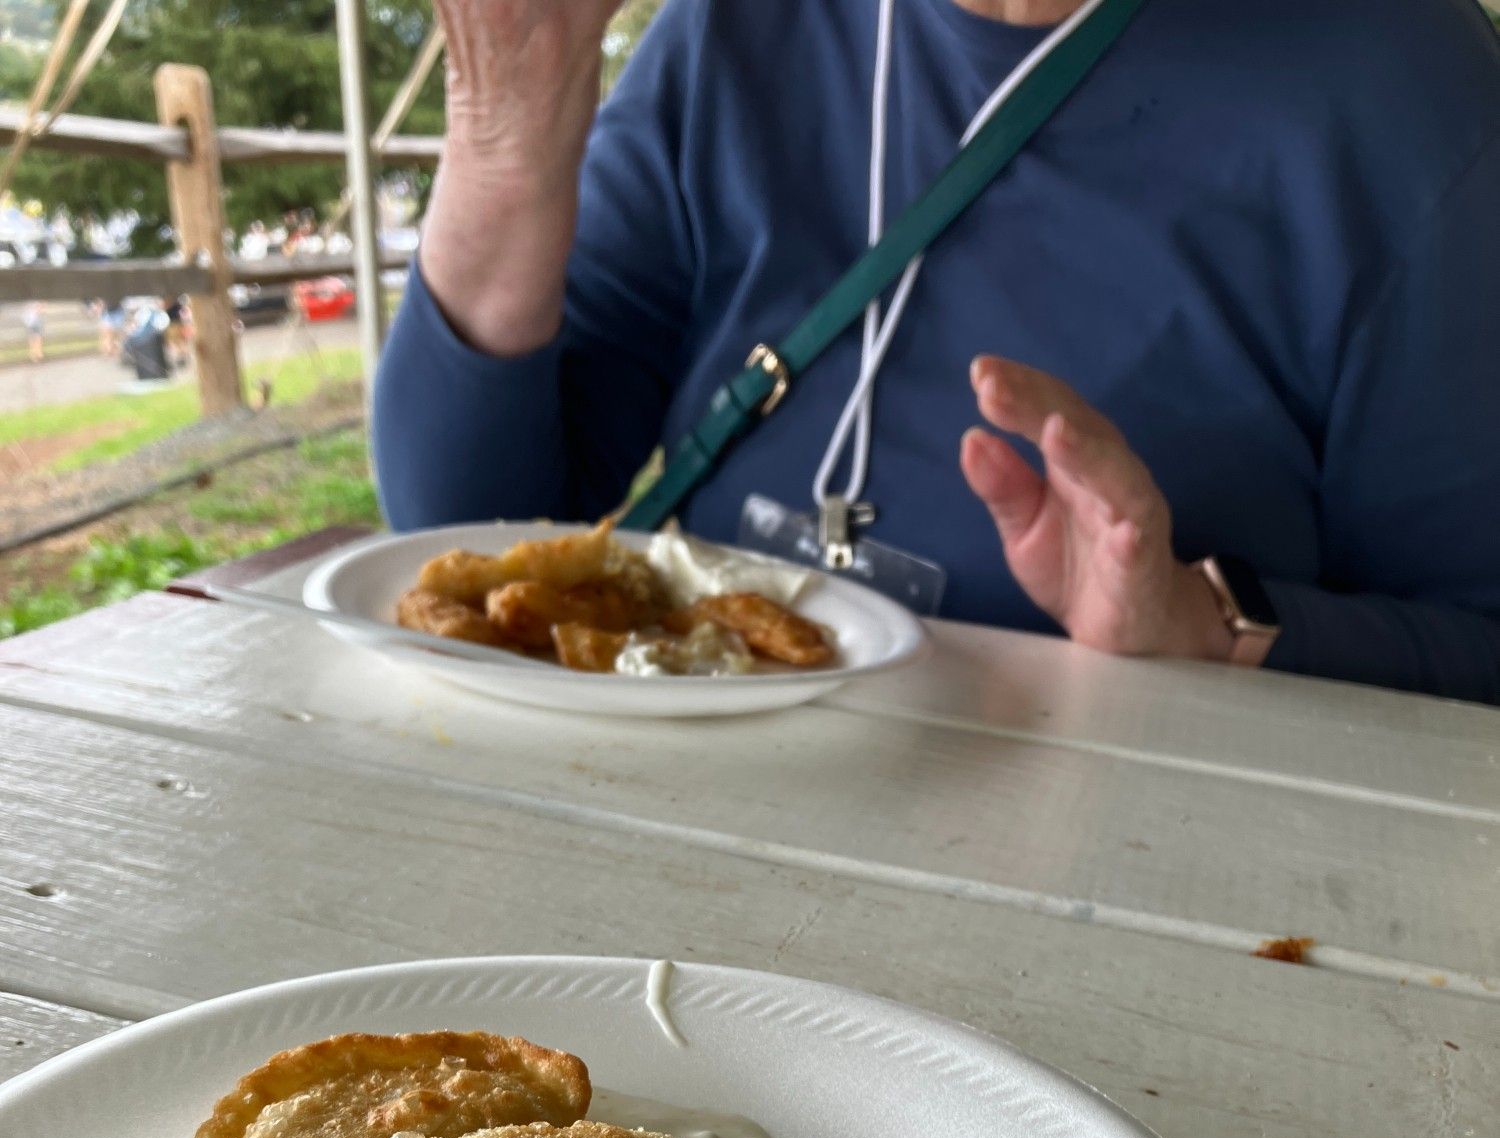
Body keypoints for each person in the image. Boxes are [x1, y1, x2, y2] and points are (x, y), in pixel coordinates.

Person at [373, 0, 1500, 703]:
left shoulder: (1400, 80)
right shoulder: (730, 31)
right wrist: (505, 131)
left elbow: (1476, 642)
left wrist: (1203, 624)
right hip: (676, 796)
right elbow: (465, 526)